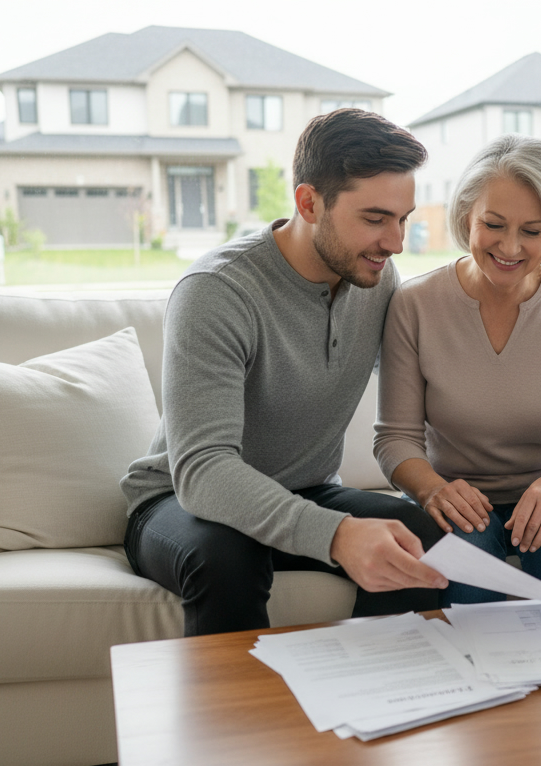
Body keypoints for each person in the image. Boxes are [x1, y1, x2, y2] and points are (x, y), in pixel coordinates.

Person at [121, 109, 449, 637]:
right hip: (180, 501)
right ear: (308, 203)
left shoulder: (377, 279)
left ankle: (370, 697)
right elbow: (204, 471)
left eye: (403, 218)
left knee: (419, 533)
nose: (395, 243)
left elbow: (436, 390)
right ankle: (239, 721)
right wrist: (338, 534)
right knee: (227, 555)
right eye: (375, 218)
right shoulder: (217, 291)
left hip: (307, 489)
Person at [374, 135, 541, 605]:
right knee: (467, 547)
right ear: (467, 215)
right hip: (455, 494)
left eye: (532, 231)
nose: (510, 246)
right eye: (494, 224)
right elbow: (394, 439)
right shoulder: (414, 305)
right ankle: (488, 677)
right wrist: (432, 491)